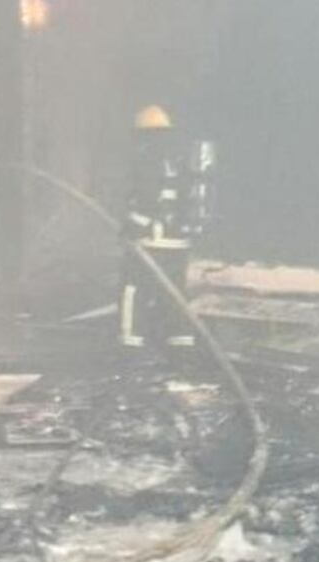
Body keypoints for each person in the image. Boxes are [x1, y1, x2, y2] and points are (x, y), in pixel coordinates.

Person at [119, 105, 213, 370]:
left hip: (152, 239)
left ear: (144, 134)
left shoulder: (147, 158)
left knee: (133, 289)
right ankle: (181, 345)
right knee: (174, 293)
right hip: (178, 241)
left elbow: (147, 200)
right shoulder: (179, 160)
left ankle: (130, 343)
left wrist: (131, 228)